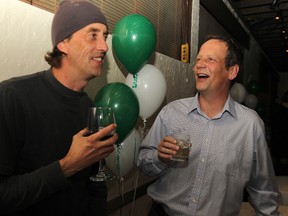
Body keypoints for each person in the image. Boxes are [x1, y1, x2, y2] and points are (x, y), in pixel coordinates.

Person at [138, 35, 281, 216]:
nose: (199, 64)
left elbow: (263, 189)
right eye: (198, 59)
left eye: (210, 59)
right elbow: (143, 163)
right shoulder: (172, 112)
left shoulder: (250, 125)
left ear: (232, 71)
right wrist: (160, 157)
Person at [0, 1, 118, 215]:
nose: (104, 46)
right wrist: (67, 165)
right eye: (93, 35)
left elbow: (95, 184)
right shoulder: (12, 97)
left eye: (105, 36)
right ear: (63, 43)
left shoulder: (89, 108)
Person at [270, 90, 288, 175]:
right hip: (282, 152)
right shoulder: (283, 114)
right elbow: (281, 135)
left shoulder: (277, 111)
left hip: (278, 152)